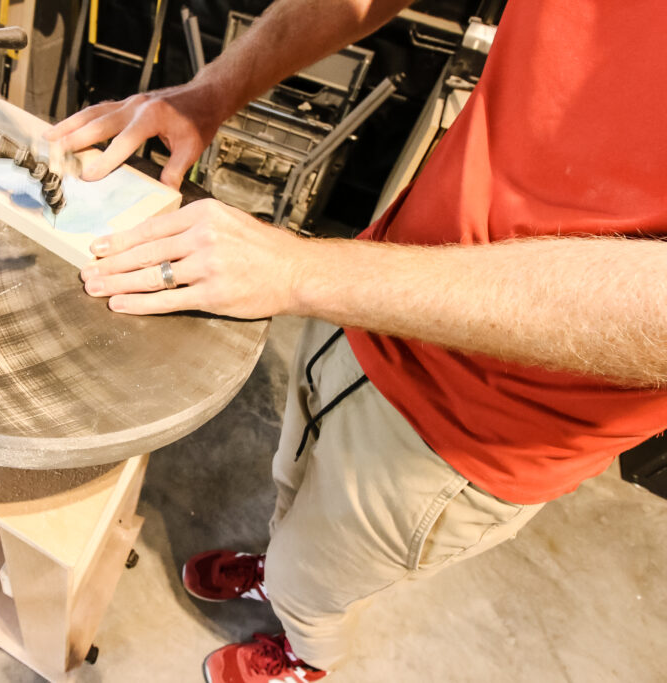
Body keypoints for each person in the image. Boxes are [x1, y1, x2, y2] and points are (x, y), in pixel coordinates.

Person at [47, 0, 667, 680]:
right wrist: (211, 90)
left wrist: (300, 269)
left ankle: (304, 655)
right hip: (372, 287)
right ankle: (280, 571)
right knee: (293, 485)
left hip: (475, 428)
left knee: (318, 589)